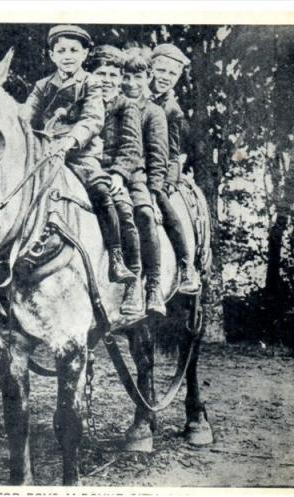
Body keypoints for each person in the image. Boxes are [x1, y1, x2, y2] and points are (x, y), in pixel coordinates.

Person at [21, 25, 134, 283]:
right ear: (52, 55)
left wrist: (69, 141)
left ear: (85, 54)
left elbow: (93, 119)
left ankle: (116, 258)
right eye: (61, 50)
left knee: (101, 191)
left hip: (80, 155)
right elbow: (25, 118)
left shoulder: (92, 83)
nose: (67, 55)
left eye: (74, 50)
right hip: (45, 152)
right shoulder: (42, 86)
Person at [89, 45, 145, 315]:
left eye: (113, 74)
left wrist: (119, 175)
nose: (106, 80)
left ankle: (132, 279)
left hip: (115, 171)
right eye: (101, 73)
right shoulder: (84, 101)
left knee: (124, 210)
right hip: (85, 168)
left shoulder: (126, 106)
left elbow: (132, 148)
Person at [120, 48, 169, 315]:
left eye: (137, 77)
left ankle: (152, 283)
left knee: (145, 216)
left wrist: (153, 194)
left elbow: (158, 158)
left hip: (139, 177)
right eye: (125, 76)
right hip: (110, 172)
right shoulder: (109, 104)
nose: (130, 83)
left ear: (148, 77)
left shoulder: (152, 112)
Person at [150, 43, 201, 294]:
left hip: (157, 169)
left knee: (163, 205)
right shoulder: (135, 95)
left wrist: (167, 182)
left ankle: (184, 265)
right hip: (128, 161)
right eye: (160, 70)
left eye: (171, 74)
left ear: (178, 77)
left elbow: (173, 154)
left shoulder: (172, 110)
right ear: (150, 69)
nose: (164, 77)